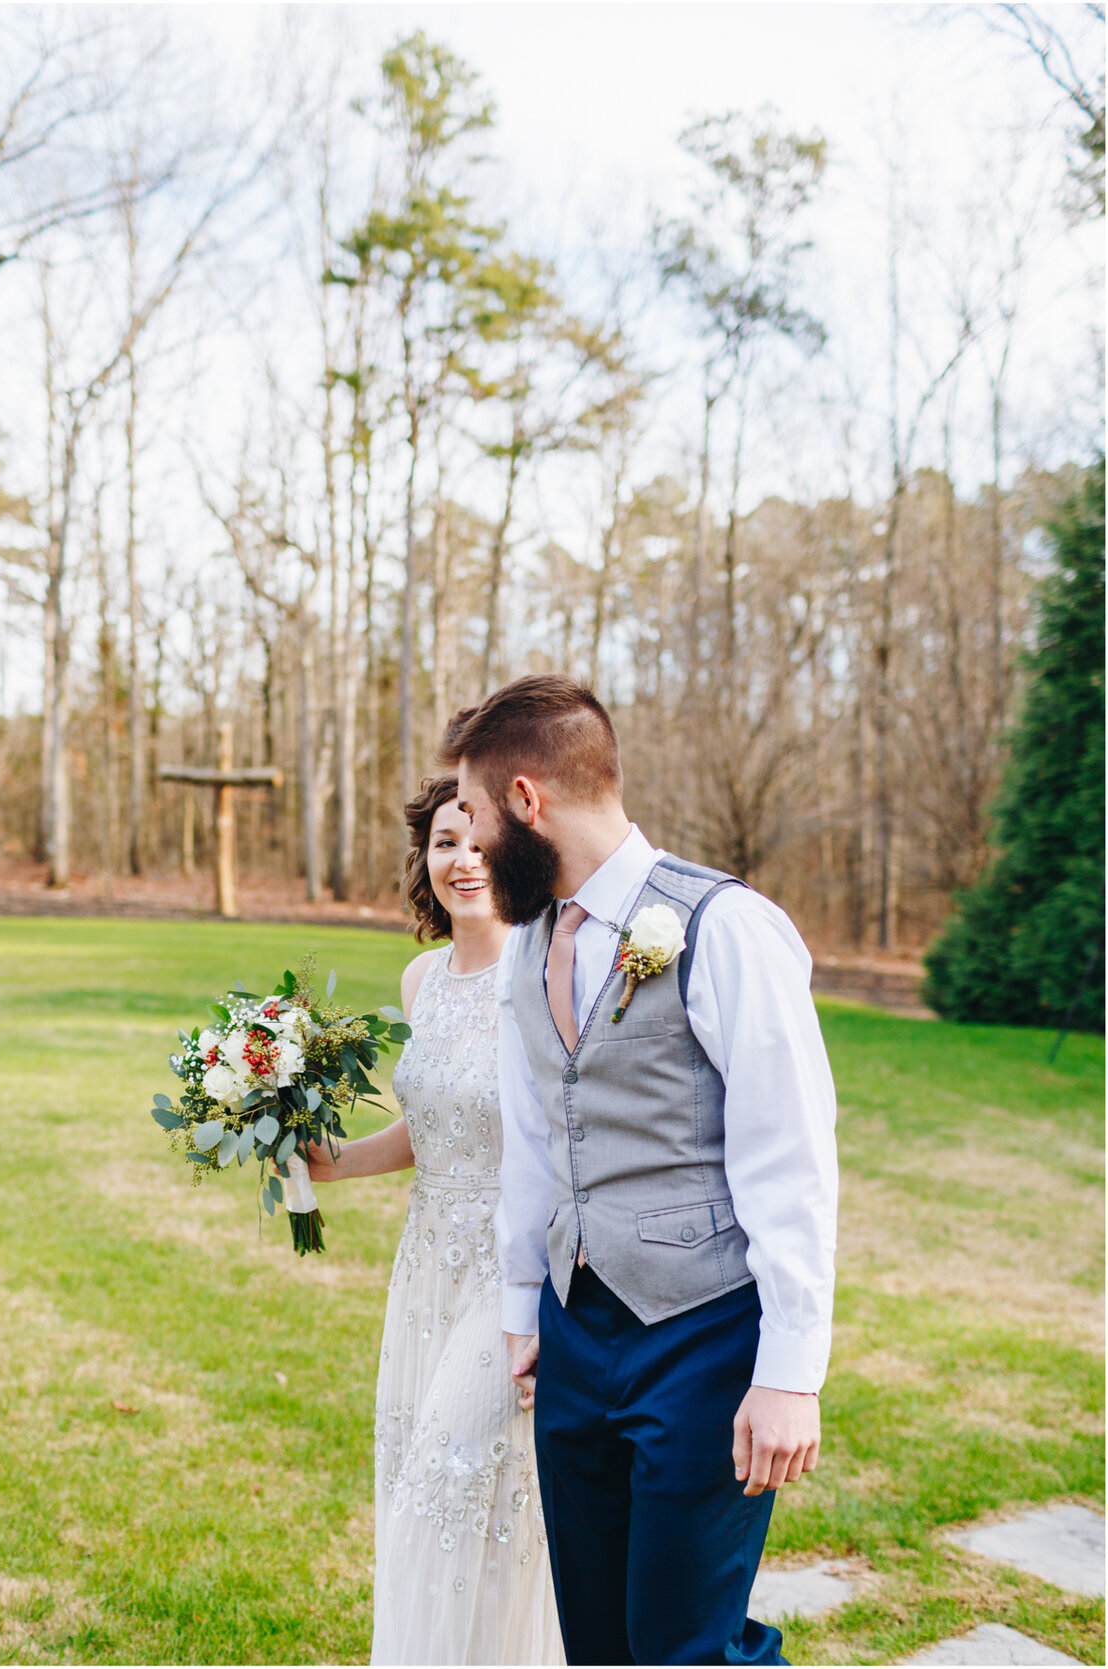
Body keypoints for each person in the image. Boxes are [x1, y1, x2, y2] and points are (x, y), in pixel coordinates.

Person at [443, 674, 838, 1667]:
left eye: (479, 818)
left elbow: (790, 1155)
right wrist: (525, 1308)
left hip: (703, 1332)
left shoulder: (723, 927)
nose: (474, 846)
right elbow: (534, 1136)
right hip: (576, 1333)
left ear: (527, 801)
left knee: (684, 1645)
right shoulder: (530, 941)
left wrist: (789, 1373)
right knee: (599, 1637)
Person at [304, 777, 565, 1666]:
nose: (465, 860)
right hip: (426, 1269)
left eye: (483, 842)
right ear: (425, 857)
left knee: (443, 1490)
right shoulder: (421, 979)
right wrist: (328, 1162)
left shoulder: (543, 968)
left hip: (509, 1268)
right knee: (447, 1492)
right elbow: (430, 1127)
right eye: (448, 841)